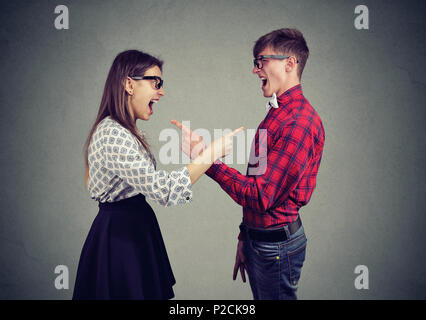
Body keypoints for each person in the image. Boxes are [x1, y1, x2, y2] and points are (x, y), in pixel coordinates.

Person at [72, 50, 242, 300]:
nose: (161, 91)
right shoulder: (111, 134)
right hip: (120, 241)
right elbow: (164, 190)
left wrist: (203, 155)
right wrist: (209, 155)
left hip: (134, 232)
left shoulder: (124, 131)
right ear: (129, 84)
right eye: (155, 82)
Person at [172, 28, 325, 300]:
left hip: (276, 247)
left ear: (290, 63)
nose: (255, 70)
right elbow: (257, 181)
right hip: (261, 241)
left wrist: (207, 161)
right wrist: (245, 236)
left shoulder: (297, 123)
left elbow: (259, 194)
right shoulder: (278, 114)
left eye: (261, 62)